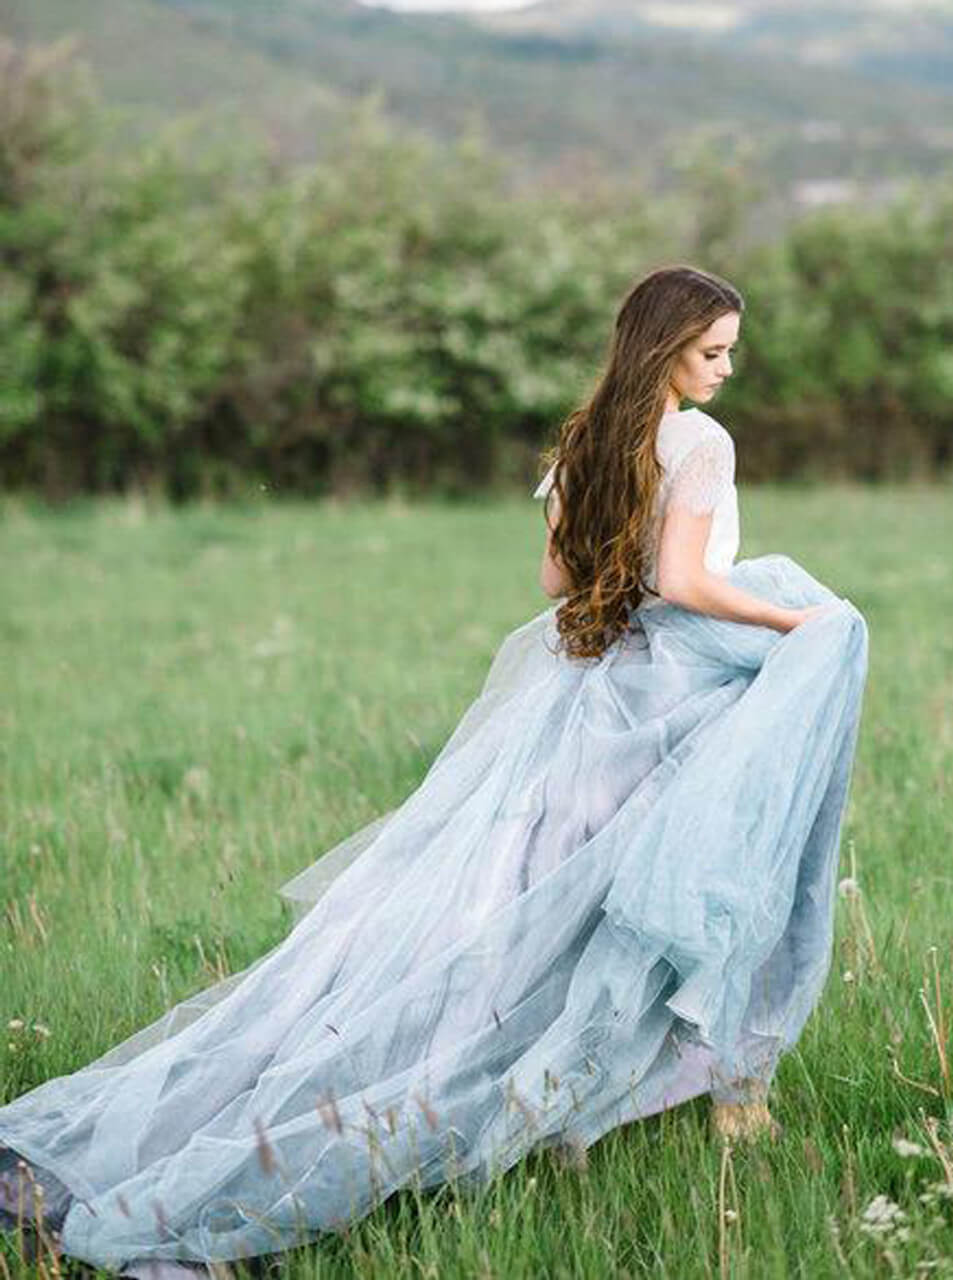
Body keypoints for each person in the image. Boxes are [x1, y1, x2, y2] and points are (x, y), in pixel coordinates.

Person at [0, 264, 868, 1277]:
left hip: (579, 690)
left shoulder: (587, 431)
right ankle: (645, 1096)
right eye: (710, 349)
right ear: (663, 345)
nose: (726, 368)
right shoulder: (701, 443)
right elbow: (679, 581)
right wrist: (796, 617)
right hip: (661, 694)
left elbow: (554, 577)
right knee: (644, 897)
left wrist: (613, 562)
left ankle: (555, 1100)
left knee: (538, 898)